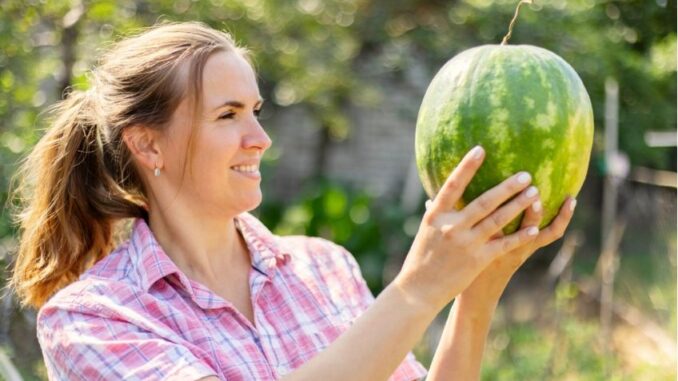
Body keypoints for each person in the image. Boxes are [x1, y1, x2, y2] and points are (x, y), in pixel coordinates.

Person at [8, 22, 576, 381]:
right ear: (147, 143)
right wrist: (417, 288)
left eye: (257, 111)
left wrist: (475, 292)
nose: (260, 137)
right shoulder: (92, 318)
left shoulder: (325, 268)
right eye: (228, 115)